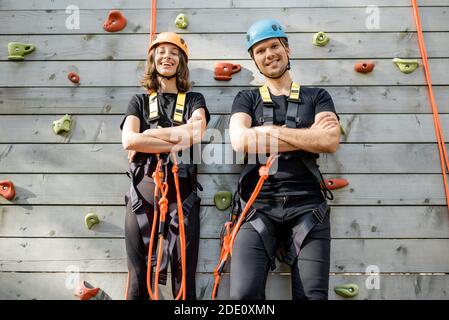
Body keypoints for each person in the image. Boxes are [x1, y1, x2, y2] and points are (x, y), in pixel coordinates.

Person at [228, 19, 340, 300]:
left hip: (307, 208)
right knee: (243, 298)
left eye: (274, 46)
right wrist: (306, 135)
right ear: (255, 59)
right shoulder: (246, 98)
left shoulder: (317, 96)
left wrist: (266, 132)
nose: (269, 55)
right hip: (257, 208)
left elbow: (329, 141)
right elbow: (240, 140)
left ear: (287, 49)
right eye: (260, 51)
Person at [120, 32, 210, 300]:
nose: (167, 57)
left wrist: (147, 138)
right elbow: (129, 140)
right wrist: (175, 139)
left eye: (174, 53)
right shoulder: (138, 101)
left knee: (184, 281)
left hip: (182, 194)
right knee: (138, 279)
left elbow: (195, 134)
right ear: (153, 59)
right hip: (143, 192)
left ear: (181, 62)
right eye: (161, 52)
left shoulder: (194, 99)